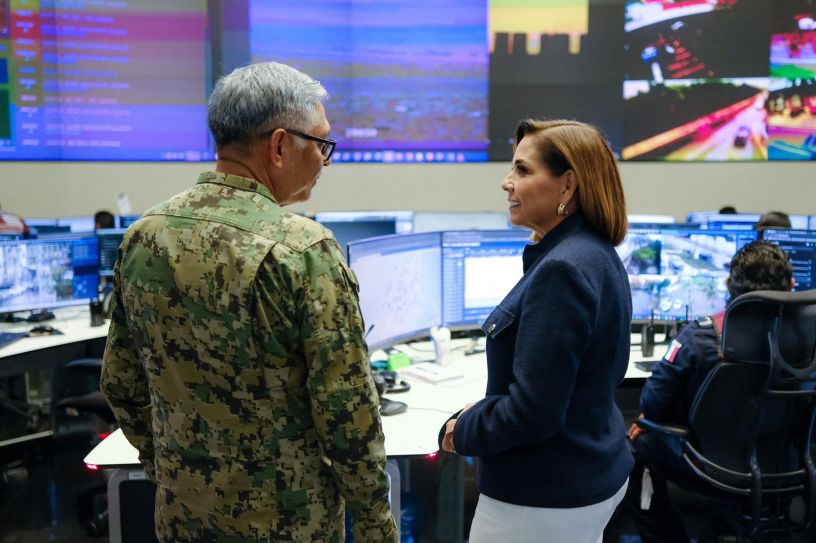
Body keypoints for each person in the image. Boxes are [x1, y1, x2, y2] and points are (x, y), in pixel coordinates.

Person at [100, 62, 397, 542]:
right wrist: (375, 528)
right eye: (321, 144)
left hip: (181, 517)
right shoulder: (303, 249)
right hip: (287, 524)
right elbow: (348, 418)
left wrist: (172, 472)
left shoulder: (143, 236)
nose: (326, 160)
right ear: (279, 146)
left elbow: (120, 383)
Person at [441, 119, 633, 543]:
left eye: (523, 170)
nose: (506, 182)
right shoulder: (594, 251)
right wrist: (491, 407)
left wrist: (462, 430)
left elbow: (533, 414)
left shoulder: (562, 270)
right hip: (588, 474)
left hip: (539, 498)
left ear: (567, 186)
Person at [625, 241, 795, 543]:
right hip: (783, 467)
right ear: (791, 285)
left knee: (634, 448)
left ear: (728, 283)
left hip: (709, 468)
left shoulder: (700, 334)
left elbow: (652, 404)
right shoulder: (807, 341)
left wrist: (649, 418)